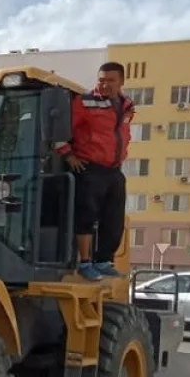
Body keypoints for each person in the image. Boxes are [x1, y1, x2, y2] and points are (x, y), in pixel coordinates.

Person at [54, 61, 135, 281]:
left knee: (114, 218)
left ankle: (103, 261)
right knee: (86, 215)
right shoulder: (85, 102)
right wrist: (68, 155)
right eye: (101, 80)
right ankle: (85, 262)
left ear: (121, 82)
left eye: (111, 80)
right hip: (90, 167)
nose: (105, 84)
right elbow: (60, 131)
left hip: (114, 170)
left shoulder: (126, 106)